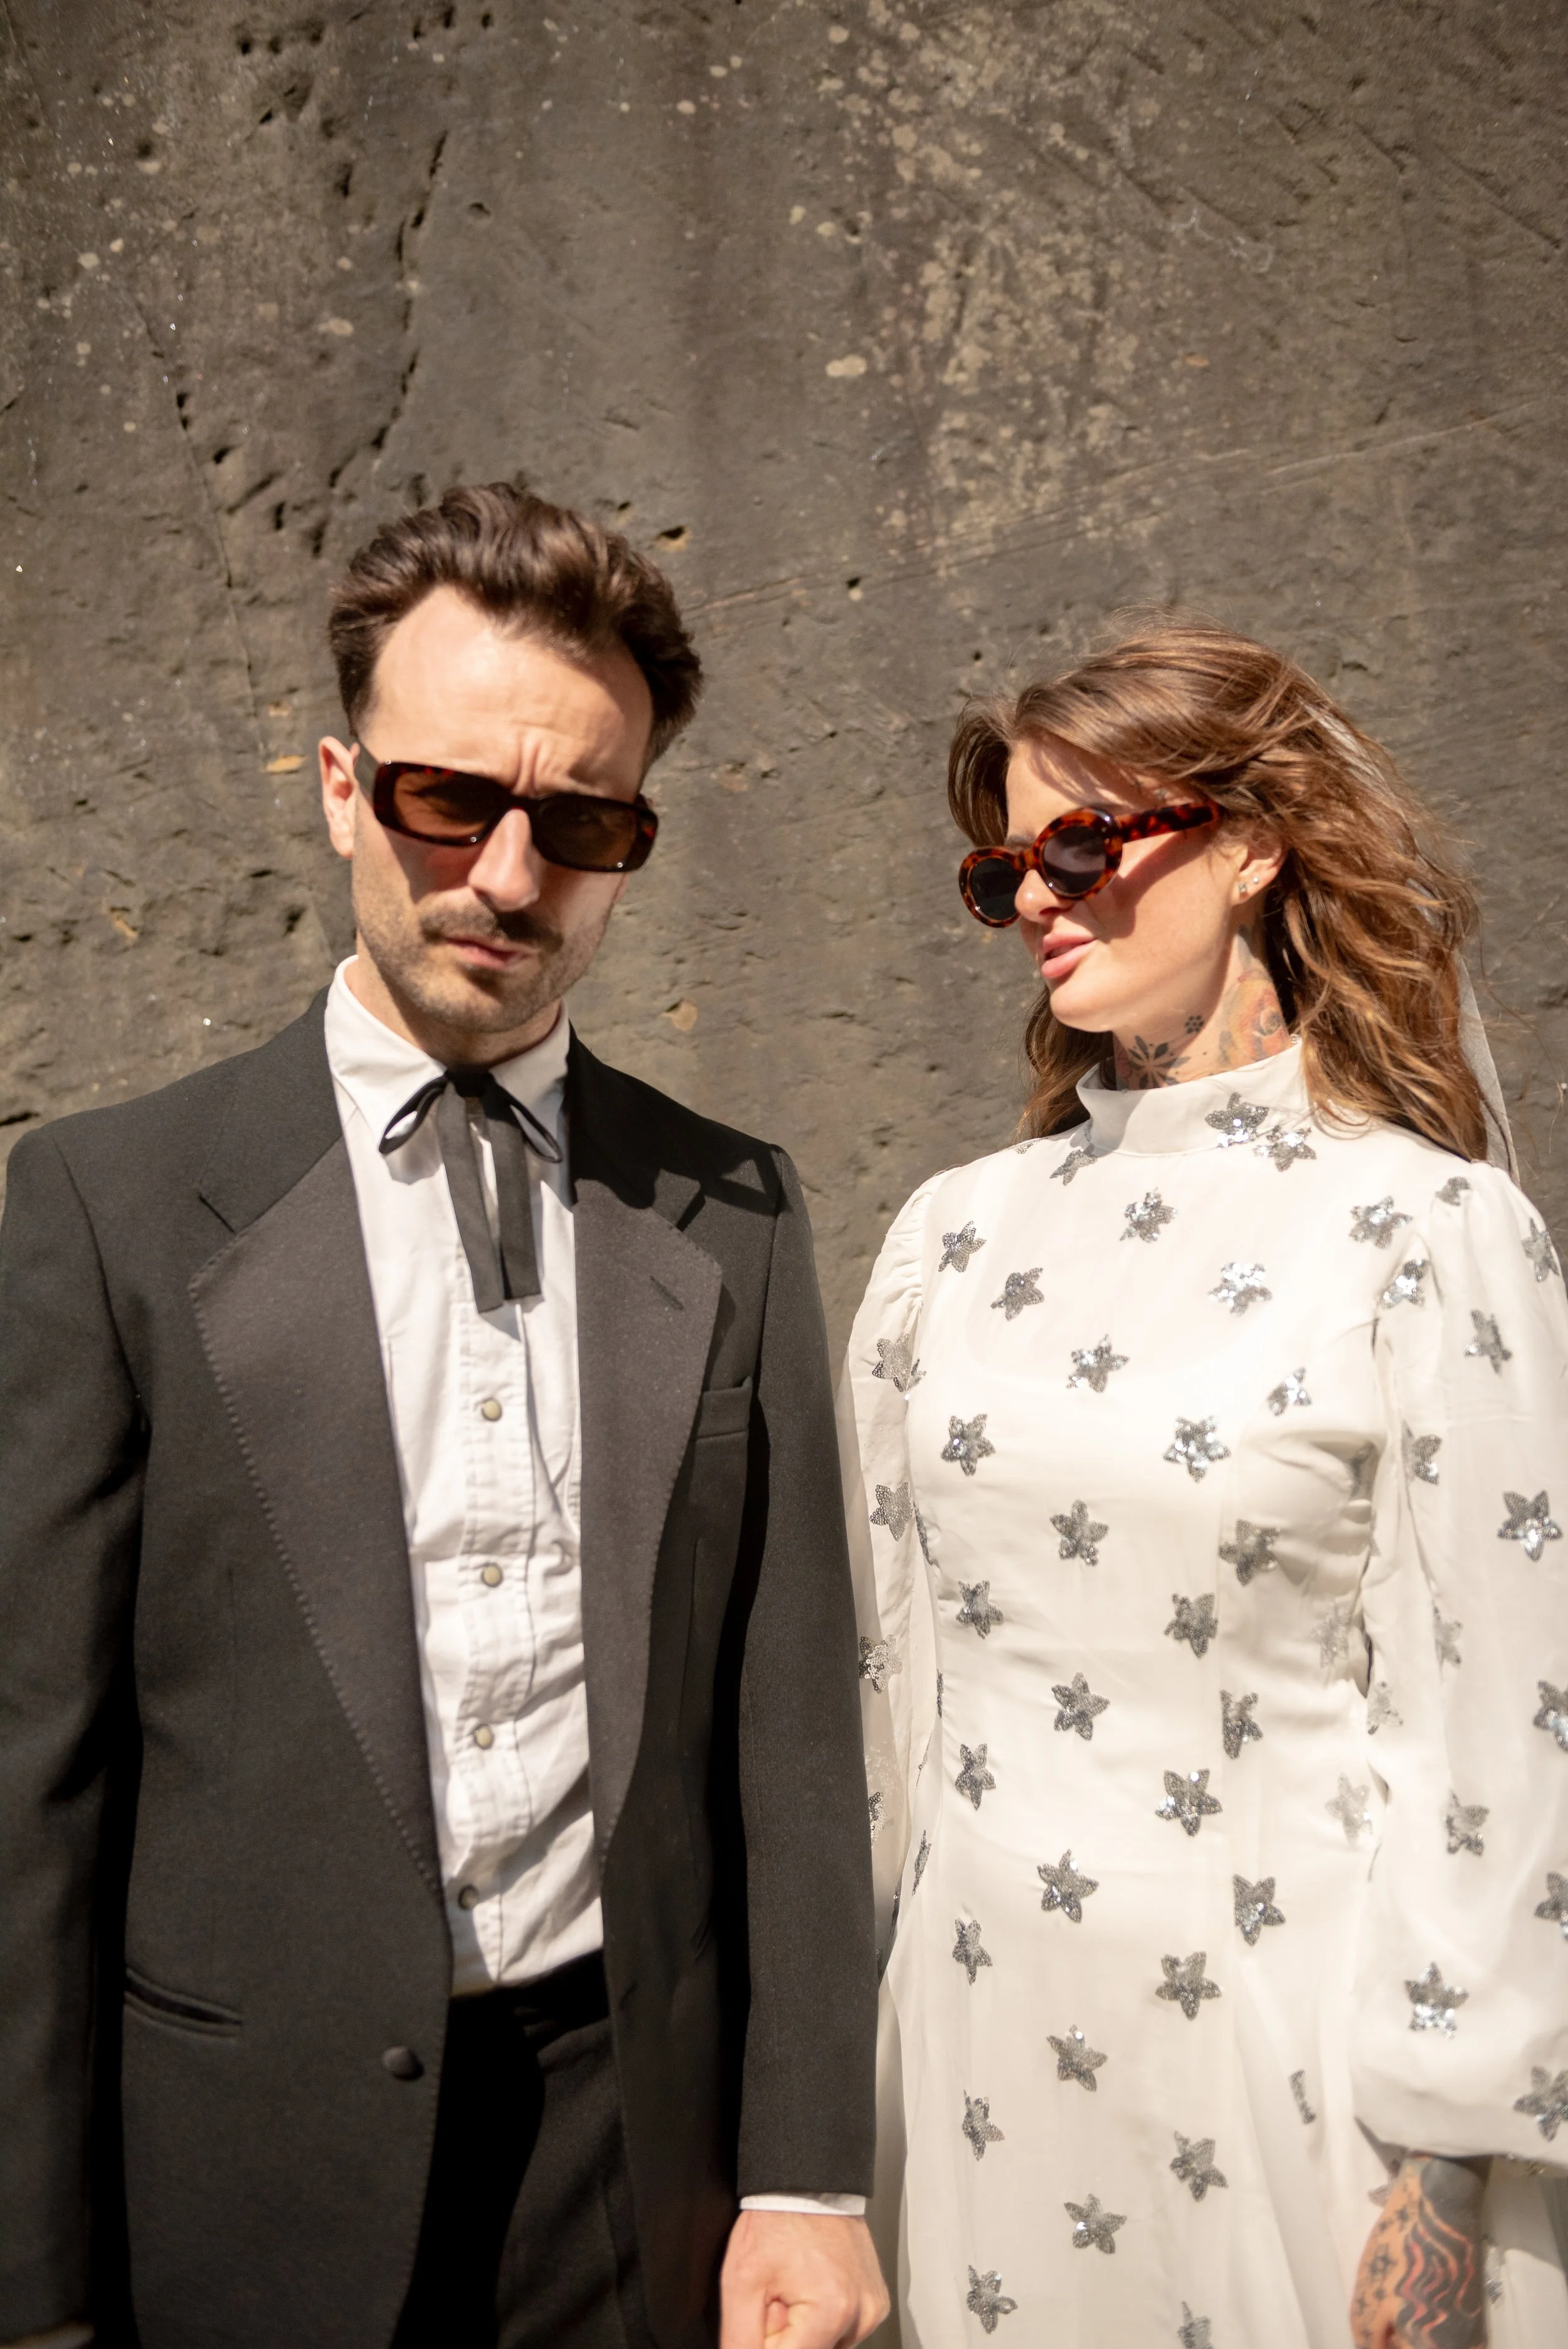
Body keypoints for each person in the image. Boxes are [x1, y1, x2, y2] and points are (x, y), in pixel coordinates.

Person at [0, 484, 889, 2349]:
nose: (505, 874)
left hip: (630, 2167)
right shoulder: (107, 1203)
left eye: (581, 822)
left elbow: (785, 1728)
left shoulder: (732, 1205)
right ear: (341, 787)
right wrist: (35, 2295)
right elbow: (34, 1796)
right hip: (237, 2179)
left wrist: (805, 2176)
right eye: (446, 799)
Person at [842, 623, 1568, 2348]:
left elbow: (1506, 1727)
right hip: (971, 2060)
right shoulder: (951, 1233)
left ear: (1250, 843)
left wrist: (1447, 2172)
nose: (1037, 895)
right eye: (1002, 865)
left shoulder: (1426, 1232)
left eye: (1082, 846)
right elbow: (887, 1695)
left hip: (1285, 2063)